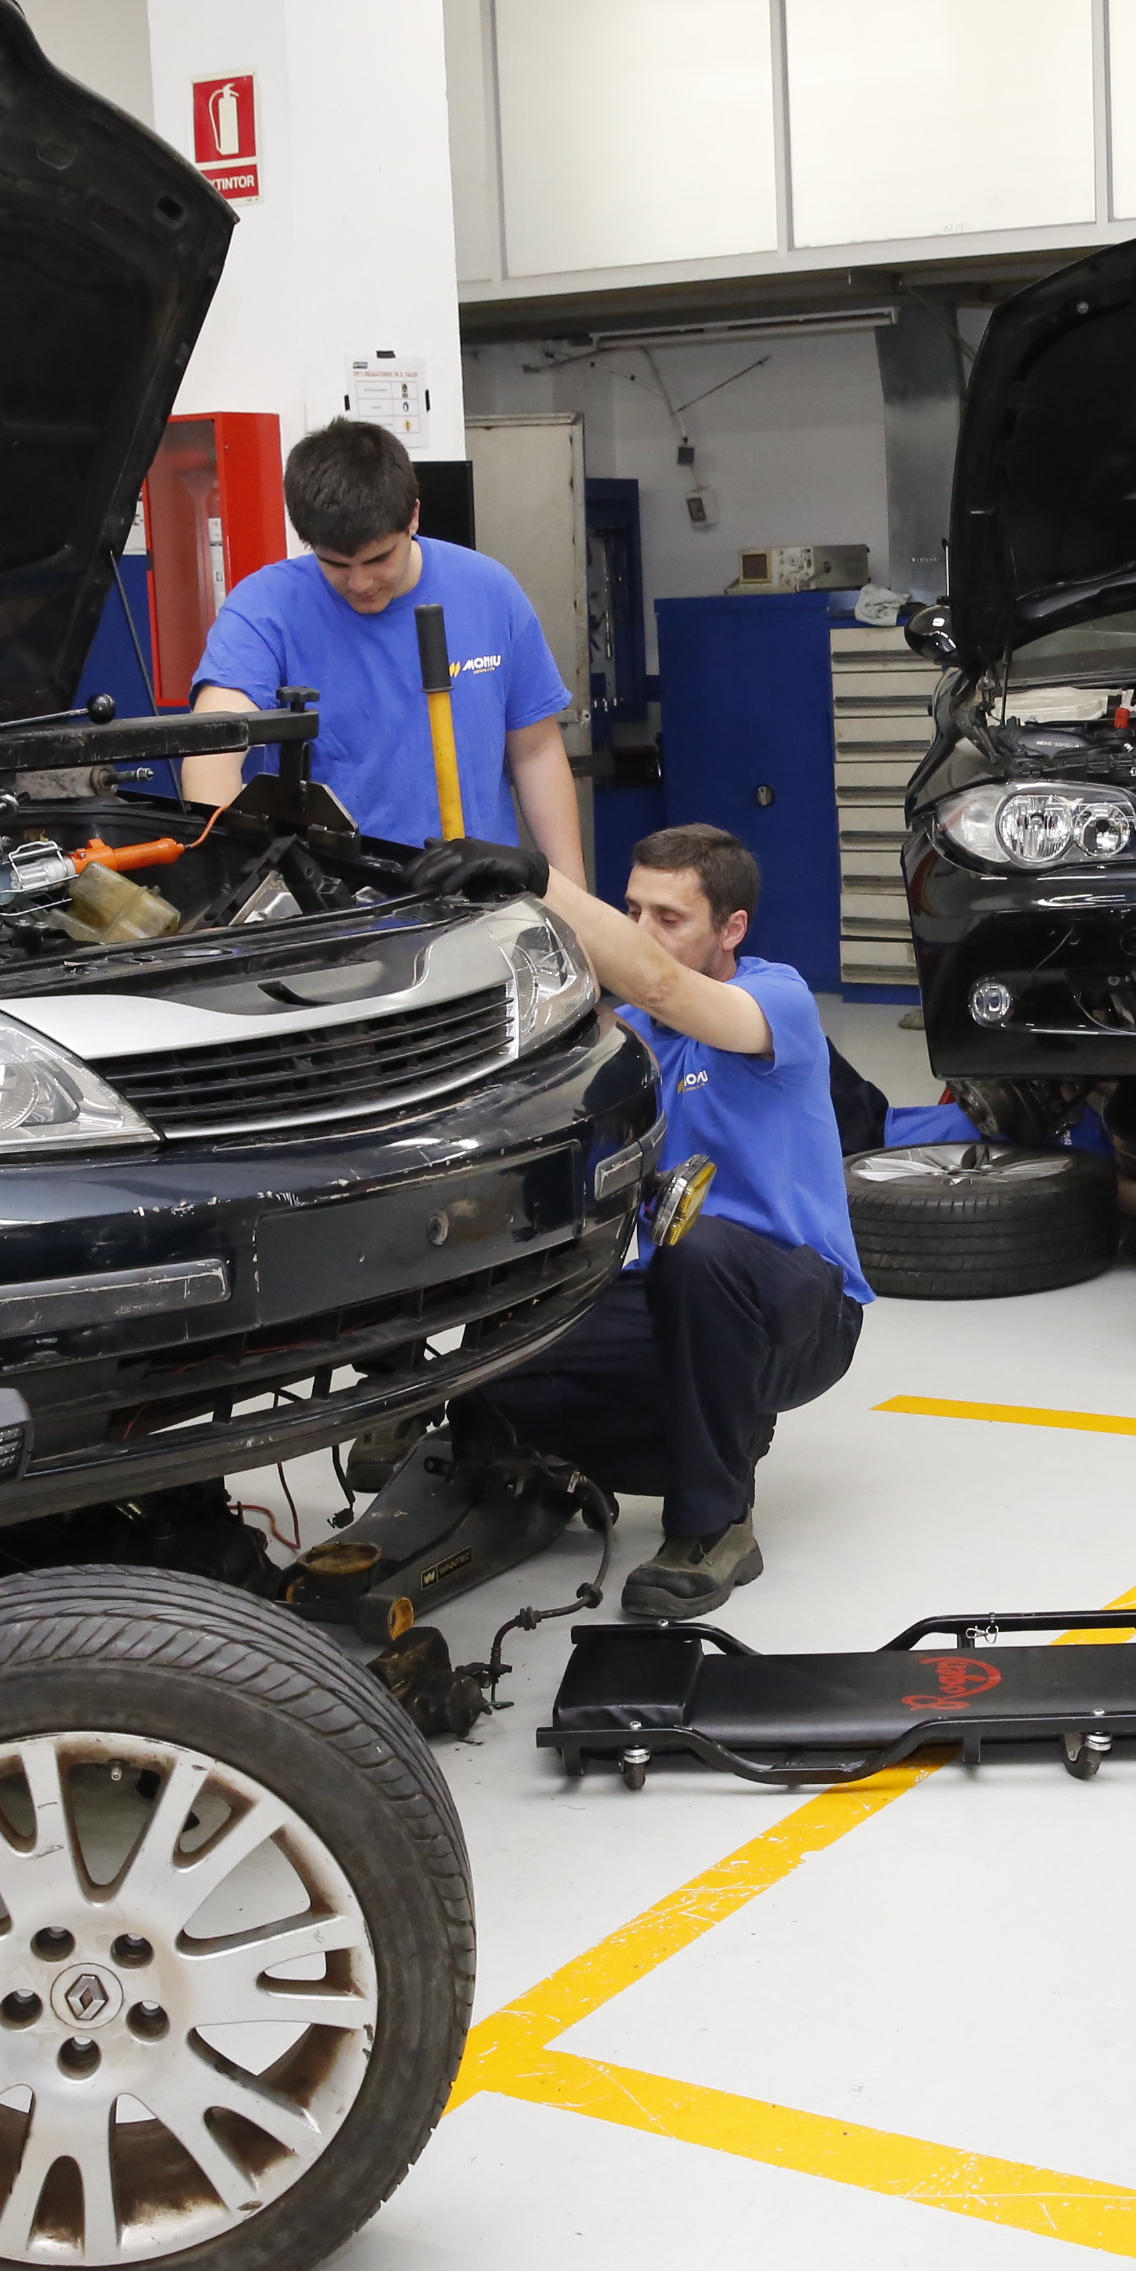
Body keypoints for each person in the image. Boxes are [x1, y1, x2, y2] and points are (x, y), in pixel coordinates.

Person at [407, 822, 867, 1618]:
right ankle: (688, 1445)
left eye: (669, 917)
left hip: (799, 1307)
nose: (642, 933)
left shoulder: (775, 1002)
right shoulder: (632, 1041)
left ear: (732, 929)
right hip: (671, 1297)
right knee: (498, 1379)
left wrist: (540, 884)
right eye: (632, 910)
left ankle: (712, 1526)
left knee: (703, 1252)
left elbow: (659, 985)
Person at [180, 419, 582, 878]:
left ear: (413, 516)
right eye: (336, 563)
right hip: (337, 912)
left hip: (480, 903)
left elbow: (536, 753)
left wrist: (574, 901)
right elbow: (214, 746)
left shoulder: (489, 589)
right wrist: (222, 884)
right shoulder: (264, 607)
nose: (360, 583)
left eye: (378, 559)